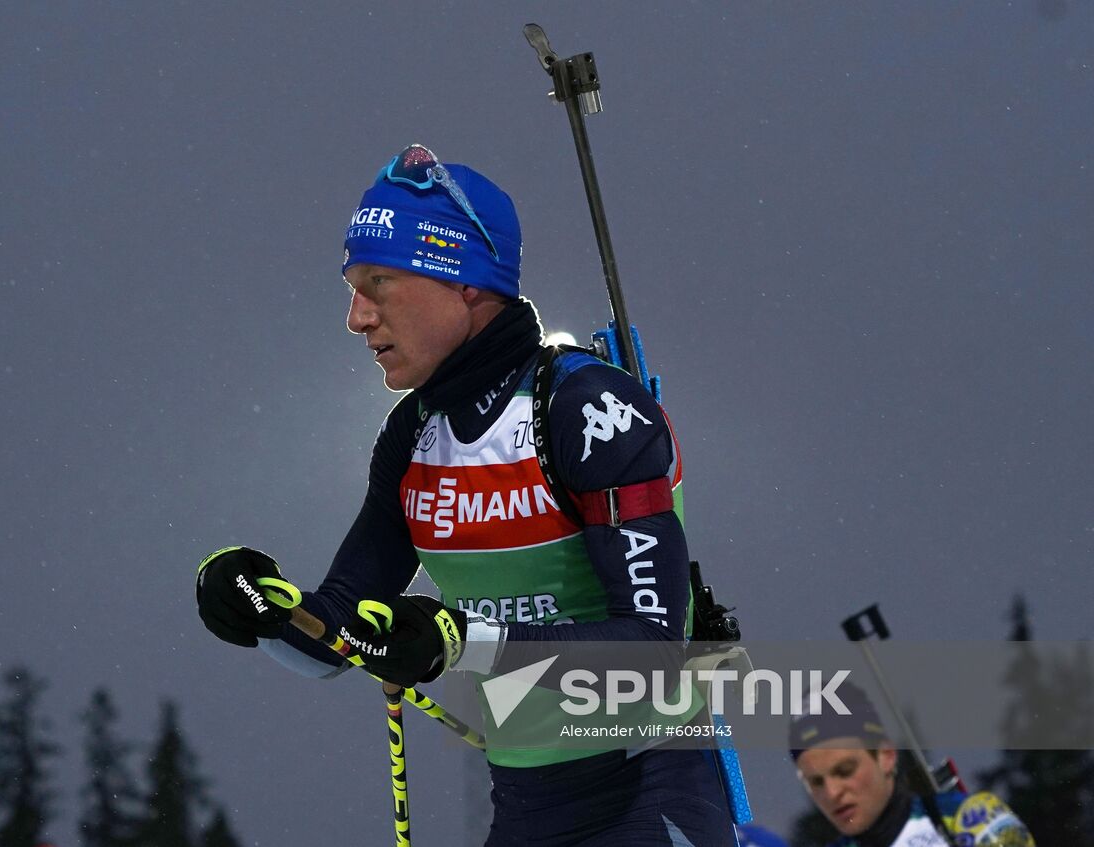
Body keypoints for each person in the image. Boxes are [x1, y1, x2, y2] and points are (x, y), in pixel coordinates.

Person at [195, 144, 737, 846]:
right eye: (352, 289)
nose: (357, 317)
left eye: (381, 282)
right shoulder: (412, 435)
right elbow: (337, 636)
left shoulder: (584, 407)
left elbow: (654, 652)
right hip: (524, 804)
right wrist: (263, 609)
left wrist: (462, 642)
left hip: (646, 790)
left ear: (467, 285)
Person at [790, 680, 1031, 847]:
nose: (832, 792)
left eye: (845, 771)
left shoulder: (968, 820)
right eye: (815, 782)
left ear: (886, 756)